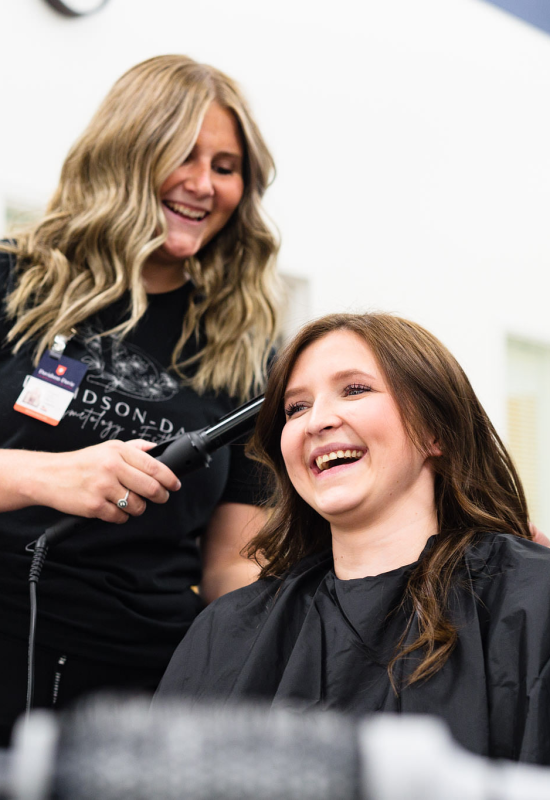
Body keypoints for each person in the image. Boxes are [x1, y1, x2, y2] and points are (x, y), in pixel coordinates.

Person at [0, 54, 279, 745]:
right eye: (181, 154)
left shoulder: (246, 355)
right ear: (126, 152)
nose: (202, 185)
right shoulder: (13, 283)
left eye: (225, 166)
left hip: (141, 696)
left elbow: (229, 567)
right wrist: (46, 476)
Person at [156, 313, 550, 765]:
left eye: (355, 389)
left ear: (435, 430)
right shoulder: (224, 631)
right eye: (296, 408)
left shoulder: (531, 602)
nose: (317, 421)